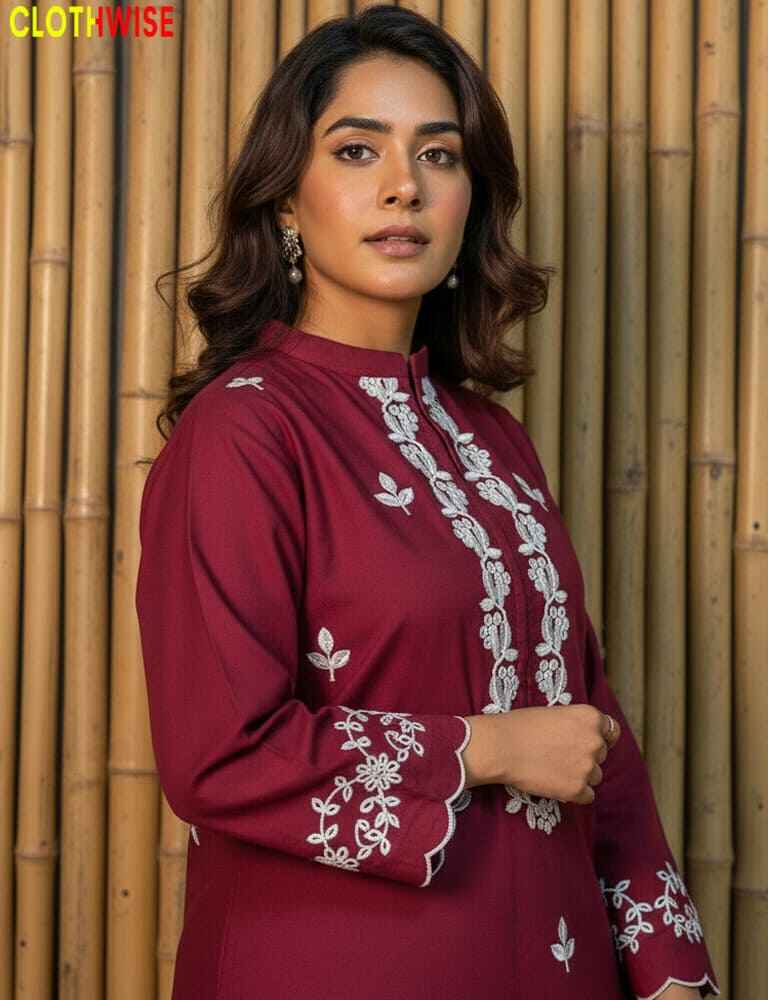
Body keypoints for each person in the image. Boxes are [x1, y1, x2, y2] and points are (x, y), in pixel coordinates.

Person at [135, 5, 720, 998]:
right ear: (285, 200)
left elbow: (586, 722)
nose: (404, 184)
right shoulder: (245, 431)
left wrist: (668, 965)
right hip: (339, 968)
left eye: (438, 155)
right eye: (357, 149)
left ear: (469, 200)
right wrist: (487, 747)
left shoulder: (493, 438)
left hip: (558, 962)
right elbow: (219, 755)